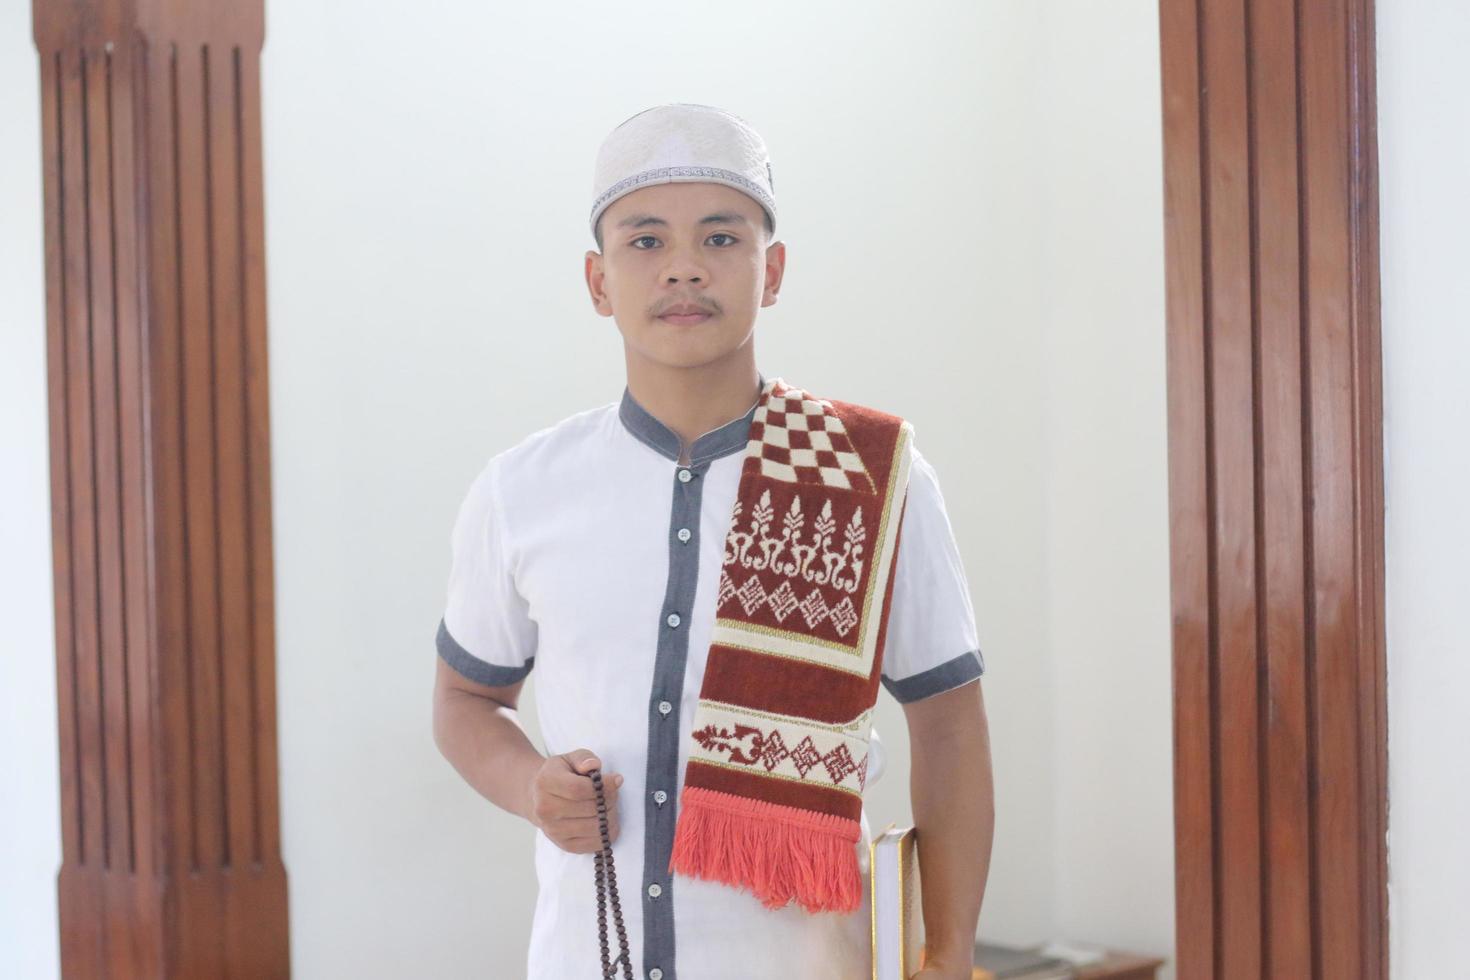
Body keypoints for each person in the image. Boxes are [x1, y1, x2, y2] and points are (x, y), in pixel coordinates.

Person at [432, 103, 994, 980]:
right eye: (646, 241)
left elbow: (950, 723)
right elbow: (466, 701)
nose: (685, 268)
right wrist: (528, 787)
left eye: (721, 240)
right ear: (597, 280)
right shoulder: (520, 491)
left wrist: (952, 950)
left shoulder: (871, 479)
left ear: (771, 272)